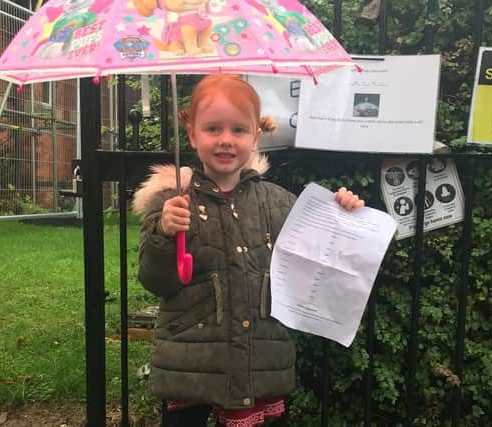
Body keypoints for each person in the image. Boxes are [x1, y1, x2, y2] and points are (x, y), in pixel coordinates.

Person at [132, 73, 364, 427]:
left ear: (255, 136)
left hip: (259, 357)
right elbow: (155, 280)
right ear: (192, 134)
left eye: (238, 130)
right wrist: (165, 233)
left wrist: (341, 211)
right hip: (190, 362)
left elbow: (319, 257)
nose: (226, 140)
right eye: (213, 129)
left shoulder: (278, 203)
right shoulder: (172, 204)